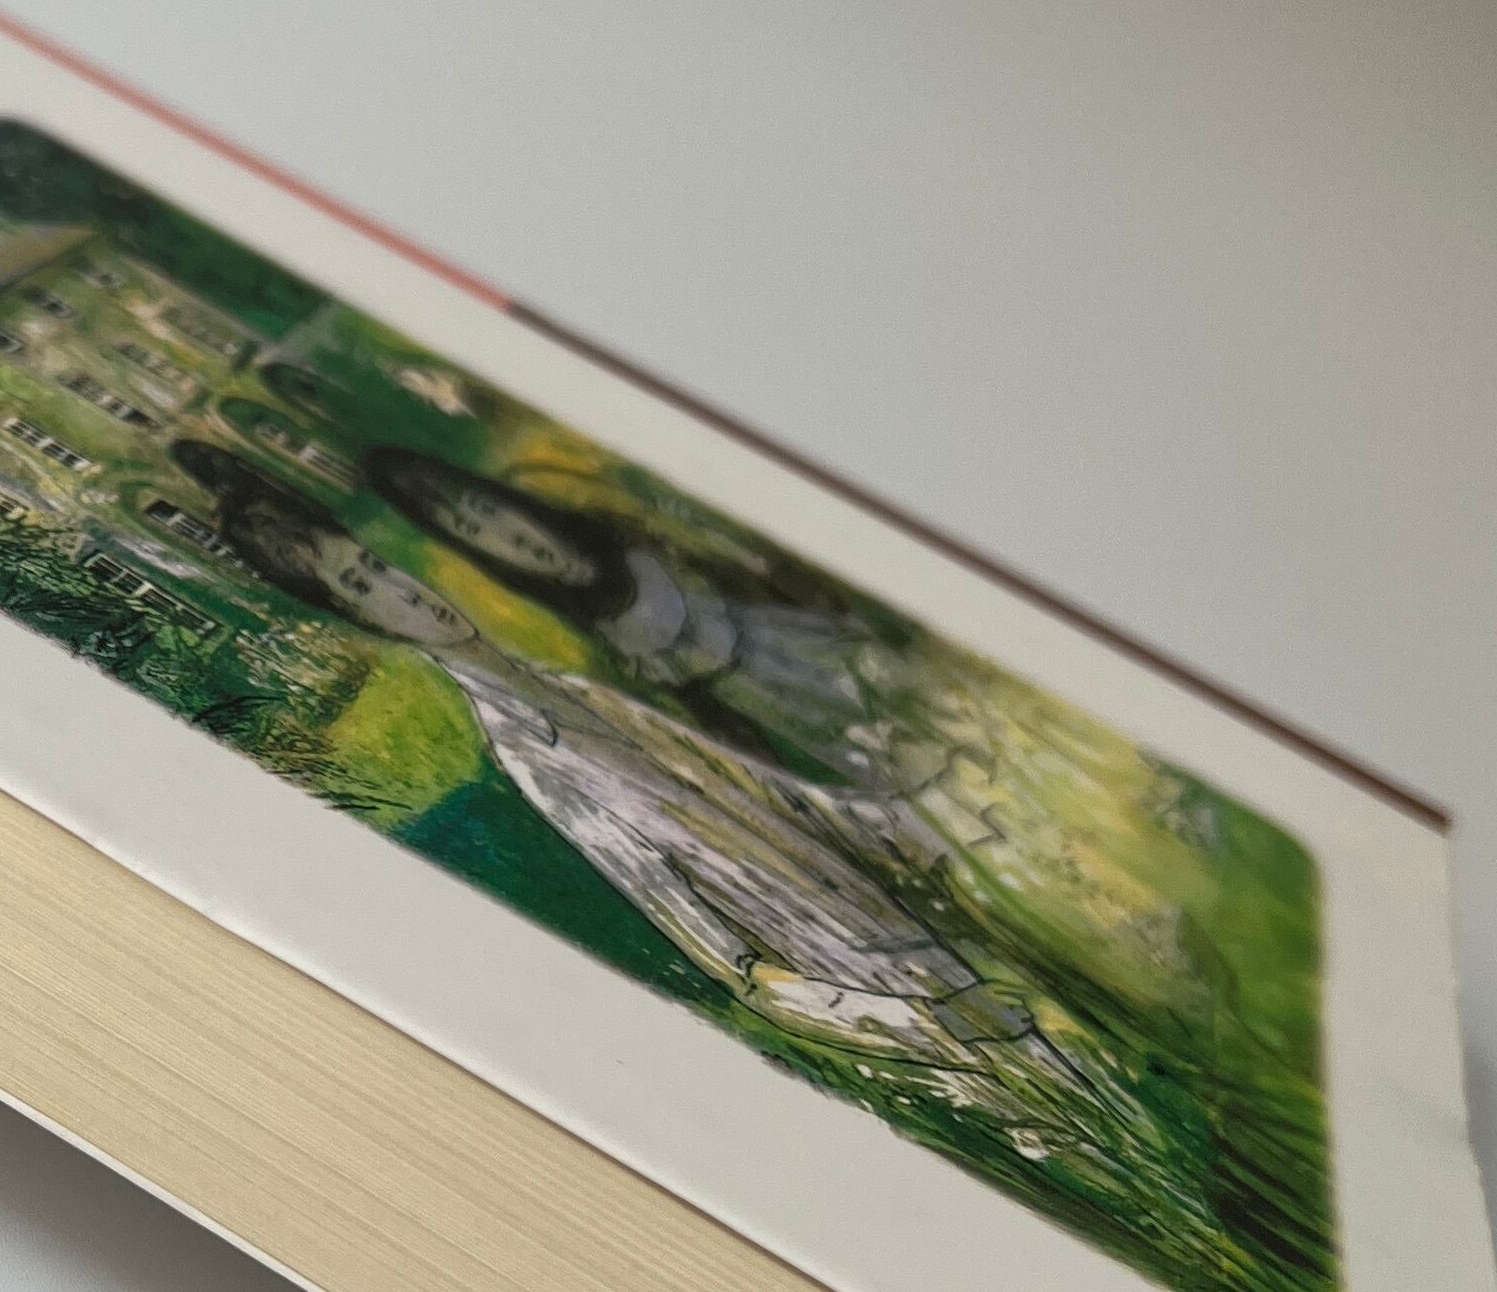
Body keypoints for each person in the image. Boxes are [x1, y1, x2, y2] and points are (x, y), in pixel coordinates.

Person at [171, 444, 1040, 1077]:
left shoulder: (585, 689)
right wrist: (919, 1024)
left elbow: (779, 801)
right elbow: (734, 965)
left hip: (944, 952)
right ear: (356, 617)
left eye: (379, 566)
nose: (404, 590)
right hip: (912, 1006)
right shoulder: (536, 758)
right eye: (361, 588)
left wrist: (936, 819)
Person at [361, 446, 927, 786]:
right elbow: (715, 726)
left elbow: (758, 562)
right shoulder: (604, 640)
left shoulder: (631, 531)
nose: (509, 538)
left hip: (828, 643)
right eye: (473, 530)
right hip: (806, 720)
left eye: (489, 510)